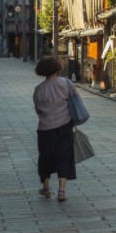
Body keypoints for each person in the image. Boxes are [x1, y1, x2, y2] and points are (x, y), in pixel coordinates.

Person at [33, 55, 76, 202]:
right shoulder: (66, 84)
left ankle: (45, 188)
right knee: (64, 157)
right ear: (57, 68)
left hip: (44, 129)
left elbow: (38, 110)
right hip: (64, 126)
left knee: (45, 158)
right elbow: (76, 102)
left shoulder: (38, 90)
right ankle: (62, 191)